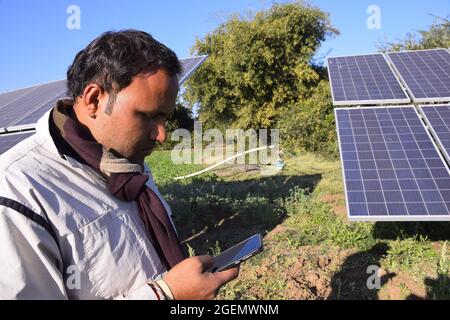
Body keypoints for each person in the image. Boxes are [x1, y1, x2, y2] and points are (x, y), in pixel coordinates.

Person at [0, 29, 239, 300]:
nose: (161, 135)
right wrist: (164, 295)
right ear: (93, 100)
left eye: (164, 119)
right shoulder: (19, 192)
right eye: (148, 116)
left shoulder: (127, 164)